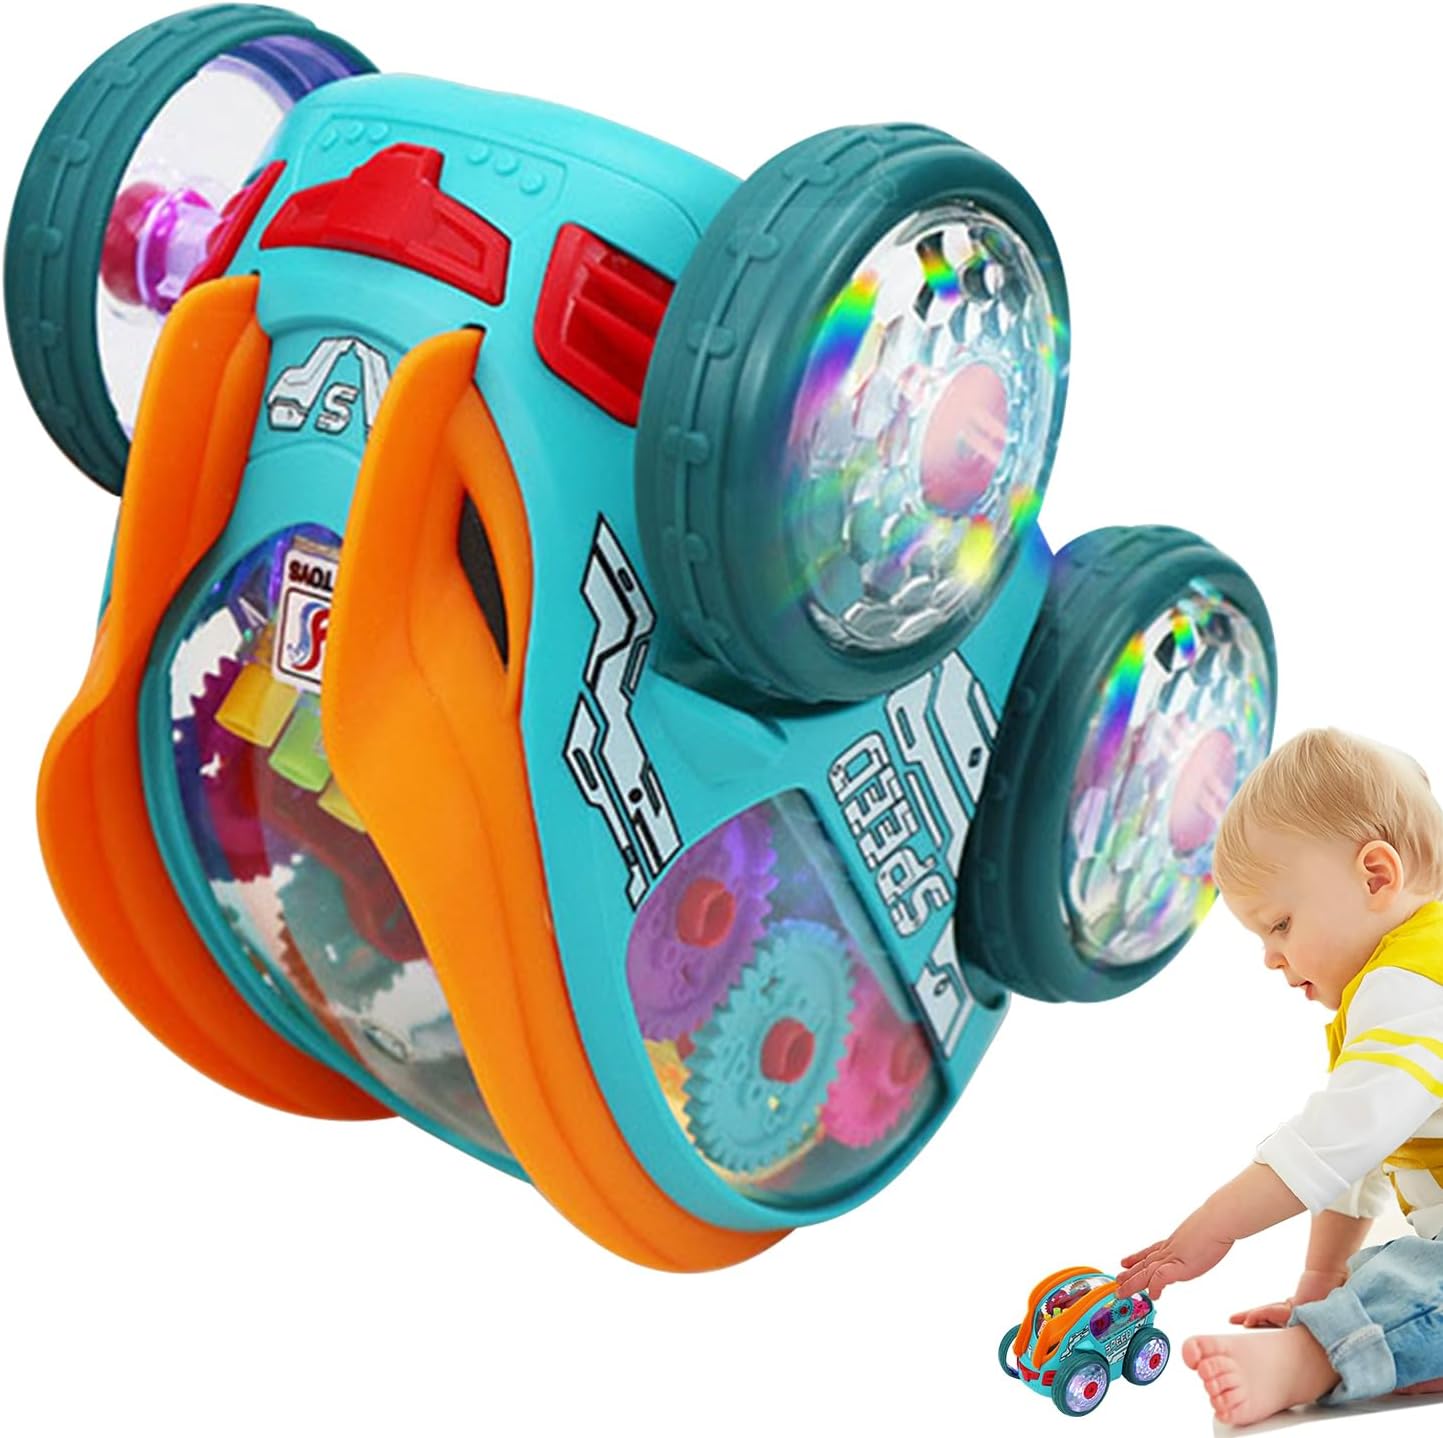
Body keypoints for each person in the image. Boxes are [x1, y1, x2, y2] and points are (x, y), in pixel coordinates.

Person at [1116, 728, 1443, 1425]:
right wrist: (1320, 1283)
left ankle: (1311, 1359)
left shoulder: (1416, 982)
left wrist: (1215, 1227)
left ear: (1375, 877)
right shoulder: (1393, 993)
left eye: (1282, 924)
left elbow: (1334, 1140)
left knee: (1415, 1278)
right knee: (1389, 1271)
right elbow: (1356, 1160)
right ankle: (1377, 1337)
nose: (1270, 957)